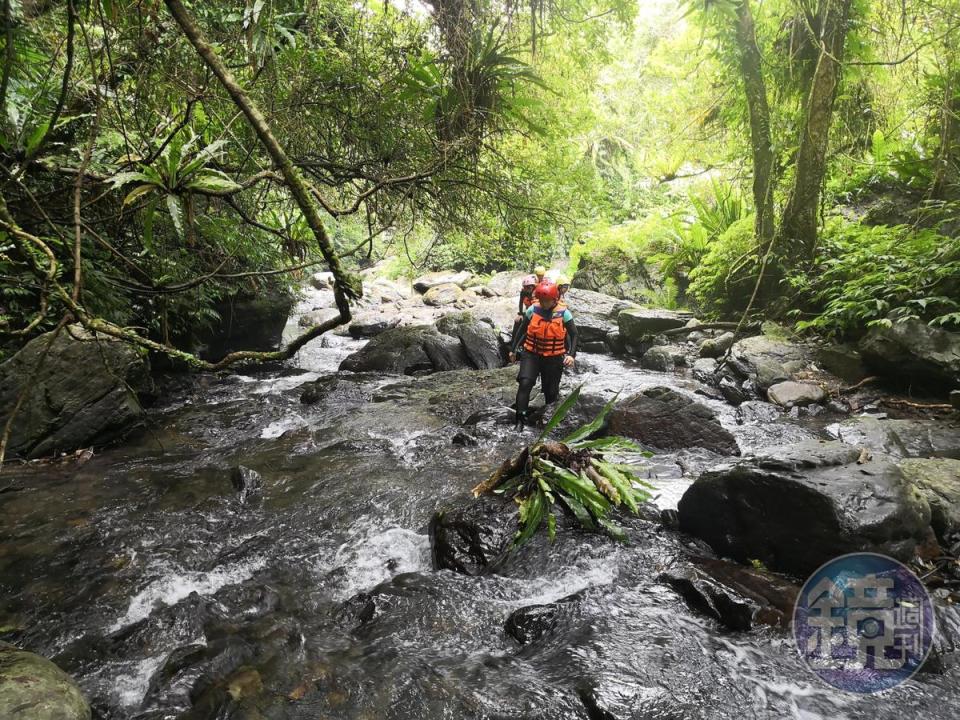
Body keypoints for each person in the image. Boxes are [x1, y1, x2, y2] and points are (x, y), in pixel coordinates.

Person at [509, 280, 578, 430]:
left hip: (553, 357)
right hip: (531, 354)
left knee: (551, 391)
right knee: (525, 383)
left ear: (554, 299)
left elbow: (574, 335)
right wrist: (512, 349)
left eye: (546, 301)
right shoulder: (533, 310)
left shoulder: (564, 313)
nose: (543, 303)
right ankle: (520, 419)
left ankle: (548, 420)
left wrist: (571, 355)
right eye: (541, 300)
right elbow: (521, 331)